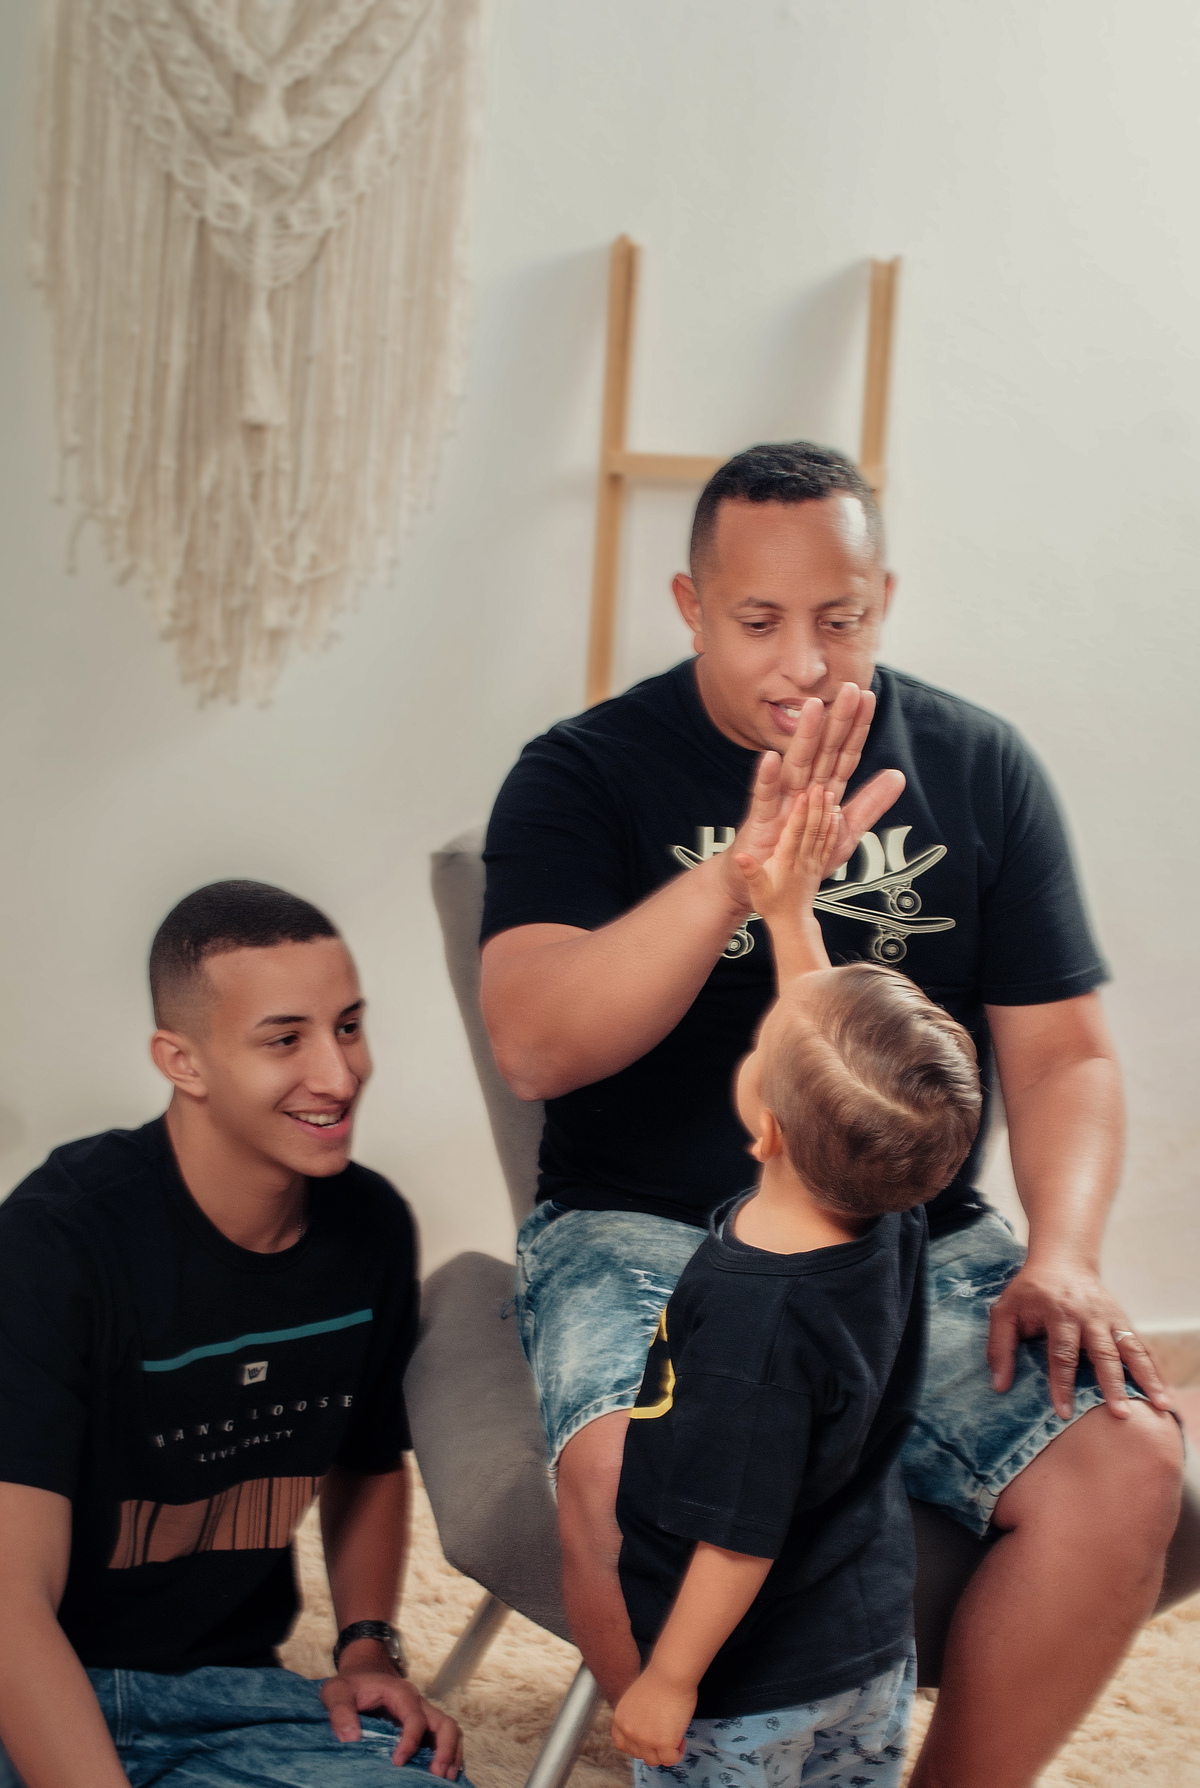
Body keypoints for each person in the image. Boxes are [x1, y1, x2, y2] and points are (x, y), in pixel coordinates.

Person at [479, 442, 1184, 1788]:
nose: (804, 662)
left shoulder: (979, 766)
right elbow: (535, 1044)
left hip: (909, 1233)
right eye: (759, 621)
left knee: (1131, 1459)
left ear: (886, 600)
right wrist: (733, 881)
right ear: (691, 606)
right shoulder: (583, 772)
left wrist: (1066, 1252)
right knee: (627, 1473)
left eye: (840, 619)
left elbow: (1063, 1058)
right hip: (643, 1232)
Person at [0, 881, 464, 1788]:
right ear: (183, 1061)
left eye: (348, 1027)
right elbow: (10, 1609)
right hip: (31, 1687)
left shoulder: (370, 1227)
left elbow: (369, 1462)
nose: (339, 1076)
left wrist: (367, 1648)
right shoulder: (56, 1242)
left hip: (227, 1694)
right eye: (285, 1040)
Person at [611, 786, 981, 1788]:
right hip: (868, 1643)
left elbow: (735, 1540)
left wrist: (670, 1680)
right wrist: (786, 913)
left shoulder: (756, 1326)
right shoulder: (889, 1197)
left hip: (751, 1686)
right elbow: (826, 1045)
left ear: (768, 1127)